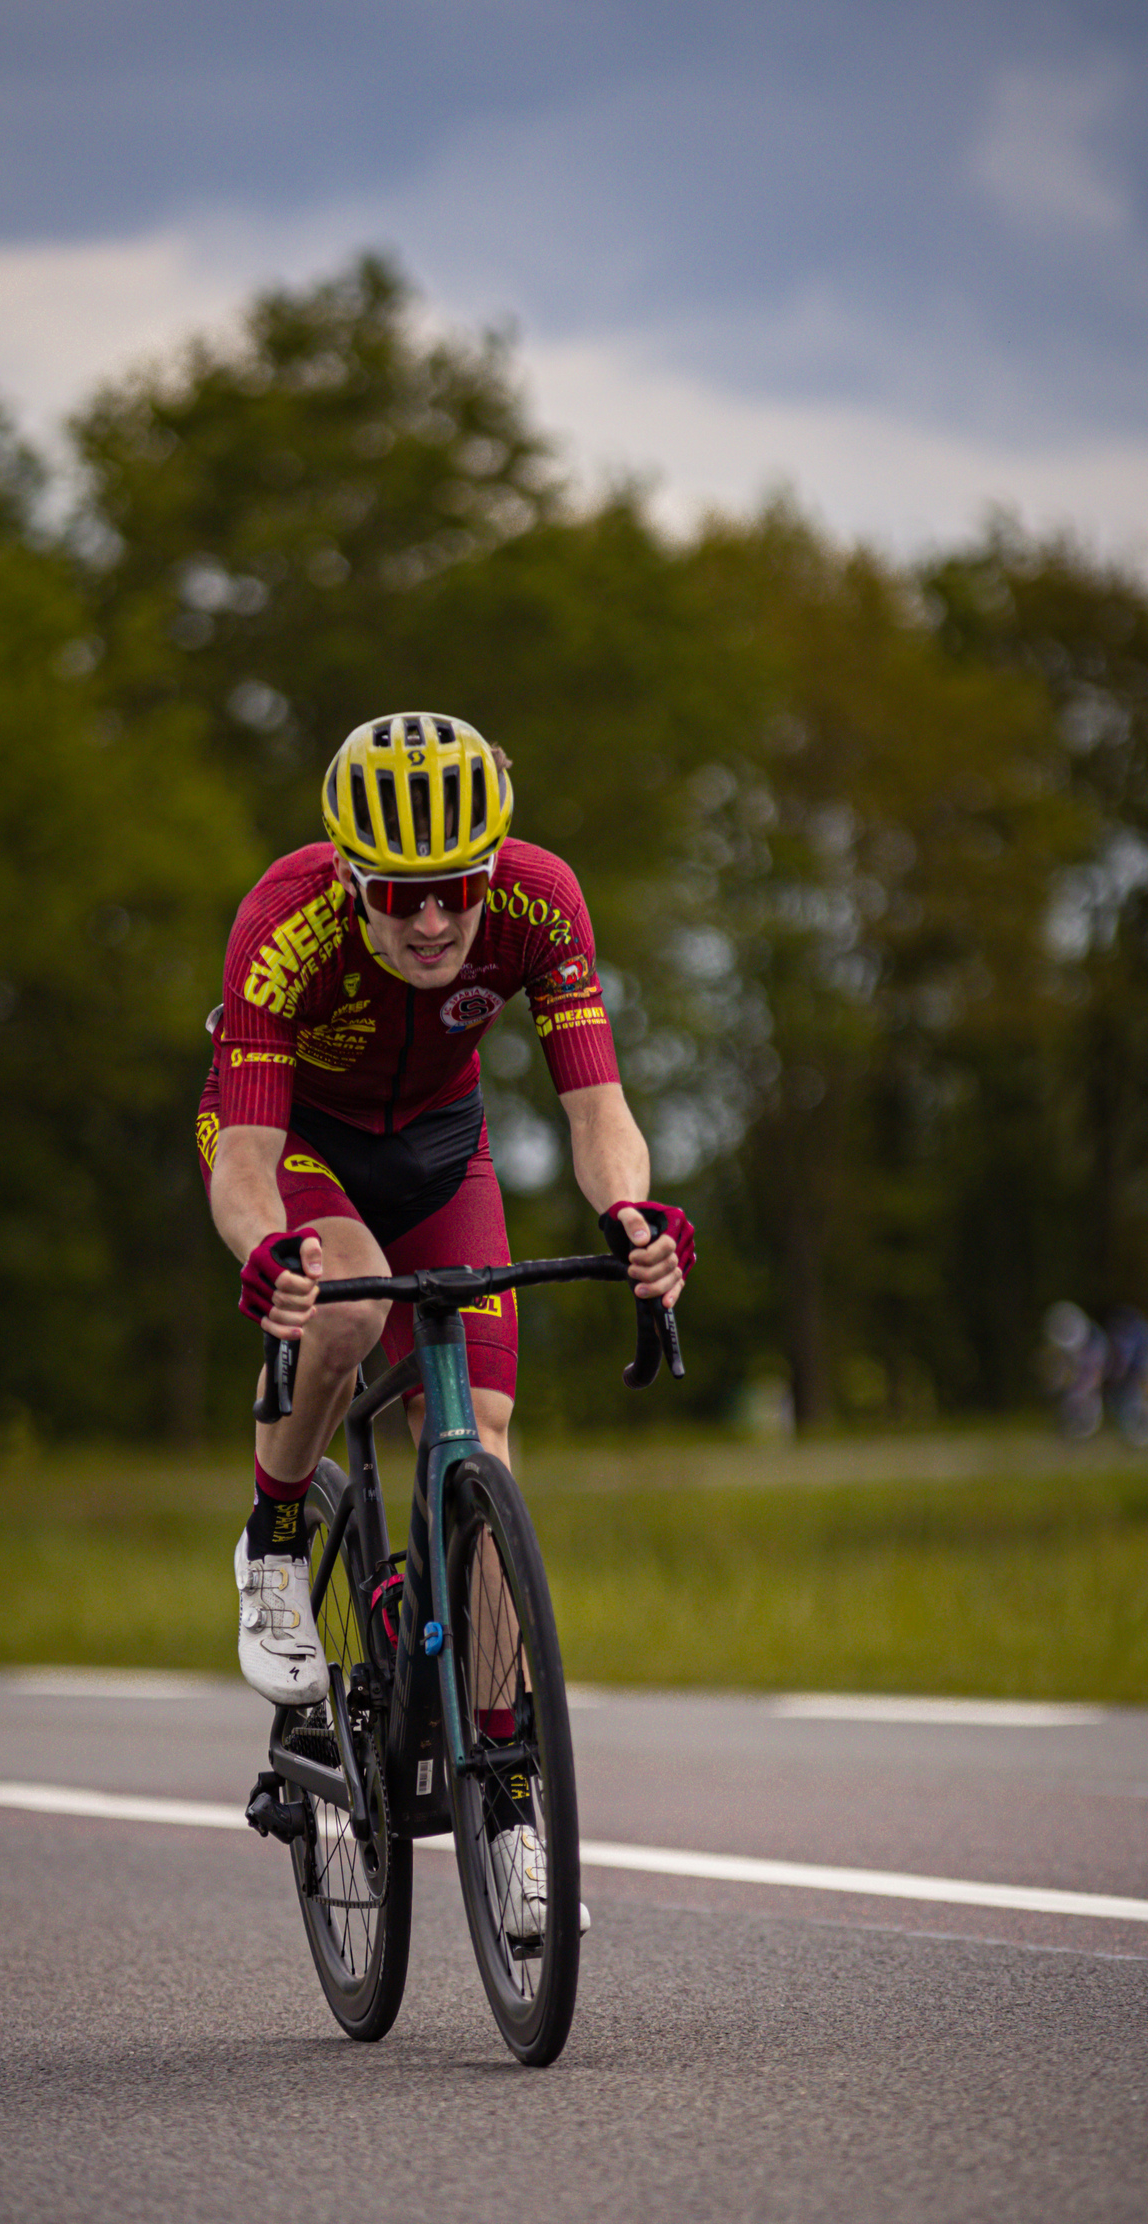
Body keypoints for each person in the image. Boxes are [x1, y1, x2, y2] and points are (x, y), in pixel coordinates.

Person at [198, 710, 693, 1934]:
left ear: (492, 867)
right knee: (347, 1301)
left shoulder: (541, 904)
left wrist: (631, 1214)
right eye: (401, 896)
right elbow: (245, 1157)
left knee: (481, 1432)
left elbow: (596, 1110)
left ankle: (509, 1807)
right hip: (296, 1147)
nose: (431, 924)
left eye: (455, 892)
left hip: (439, 1152)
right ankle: (271, 1535)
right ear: (352, 879)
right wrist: (266, 1249)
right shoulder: (283, 922)